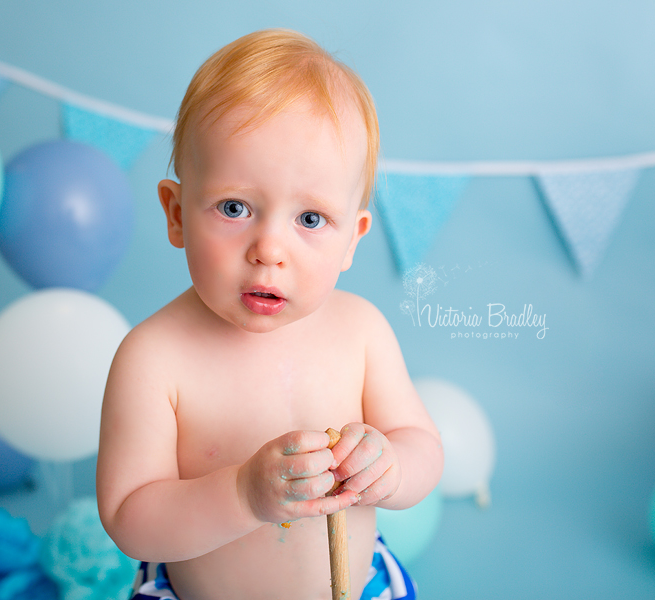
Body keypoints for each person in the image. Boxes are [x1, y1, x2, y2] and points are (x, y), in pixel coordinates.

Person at [97, 28, 443, 600]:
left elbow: (422, 445)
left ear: (352, 239)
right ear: (176, 213)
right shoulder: (154, 358)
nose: (269, 250)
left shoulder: (360, 333)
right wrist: (241, 496)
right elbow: (129, 517)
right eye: (235, 208)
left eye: (310, 220)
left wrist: (393, 467)